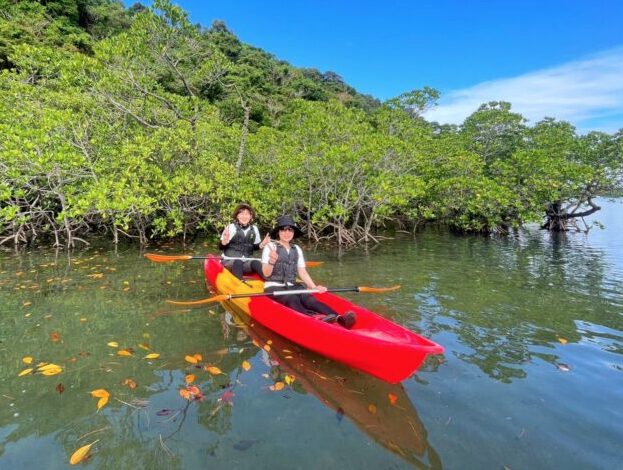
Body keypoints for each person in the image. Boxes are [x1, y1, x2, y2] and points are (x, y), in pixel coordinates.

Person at [261, 215, 356, 328]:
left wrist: (314, 287)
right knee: (292, 298)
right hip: (274, 286)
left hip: (292, 285)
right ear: (278, 232)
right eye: (283, 229)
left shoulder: (296, 249)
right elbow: (266, 273)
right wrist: (272, 261)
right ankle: (314, 320)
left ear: (293, 232)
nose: (287, 233)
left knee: (309, 299)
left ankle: (340, 318)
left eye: (290, 230)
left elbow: (302, 272)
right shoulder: (270, 247)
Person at [220, 203, 270, 280]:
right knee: (238, 262)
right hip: (230, 260)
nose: (244, 216)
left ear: (250, 216)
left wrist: (262, 244)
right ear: (237, 216)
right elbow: (221, 247)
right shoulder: (231, 227)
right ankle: (237, 285)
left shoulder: (254, 229)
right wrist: (224, 241)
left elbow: (254, 247)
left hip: (246, 261)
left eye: (247, 214)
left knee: (256, 263)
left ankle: (270, 281)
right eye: (241, 213)